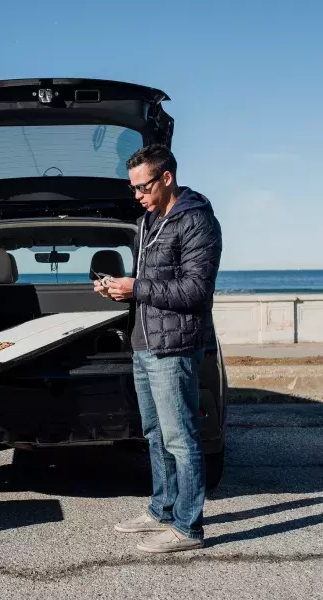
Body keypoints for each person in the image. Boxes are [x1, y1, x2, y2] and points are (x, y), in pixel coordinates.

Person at [95, 144, 222, 553]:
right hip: (144, 342)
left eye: (142, 186)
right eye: (132, 187)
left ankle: (188, 528)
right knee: (154, 434)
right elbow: (151, 286)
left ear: (166, 178)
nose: (136, 194)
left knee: (181, 438)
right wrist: (119, 290)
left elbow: (195, 289)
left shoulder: (197, 221)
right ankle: (162, 510)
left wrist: (137, 287)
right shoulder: (149, 221)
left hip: (175, 346)